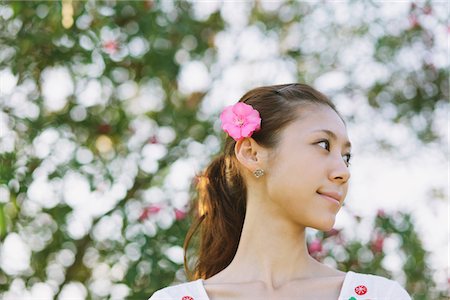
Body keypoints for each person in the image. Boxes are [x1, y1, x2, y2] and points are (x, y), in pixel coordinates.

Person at [149, 84, 411, 299]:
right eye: (323, 144)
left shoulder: (380, 295)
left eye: (346, 157)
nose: (343, 171)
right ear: (252, 154)